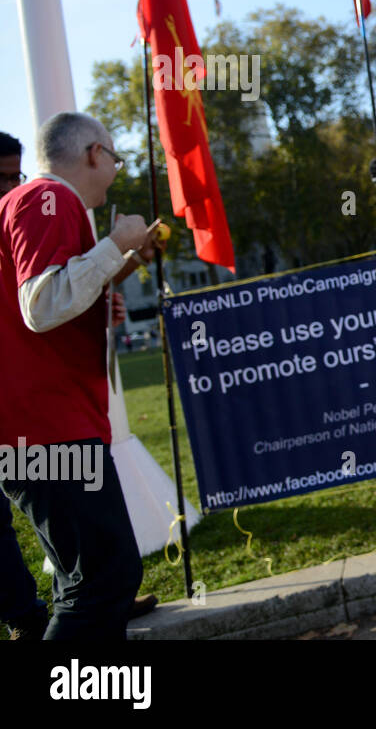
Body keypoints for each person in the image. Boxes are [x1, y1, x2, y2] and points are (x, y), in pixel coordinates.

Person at [0, 113, 156, 639]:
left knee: (90, 581)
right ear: (94, 153)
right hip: (46, 427)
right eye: (115, 157)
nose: (114, 170)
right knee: (103, 581)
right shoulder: (48, 198)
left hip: (36, 428)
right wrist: (117, 243)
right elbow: (40, 305)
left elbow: (39, 310)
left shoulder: (28, 202)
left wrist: (97, 297)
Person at [0, 131, 48, 640]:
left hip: (23, 406)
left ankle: (77, 600)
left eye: (17, 176)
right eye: (1, 178)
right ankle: (28, 619)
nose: (12, 188)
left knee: (51, 500)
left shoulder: (18, 226)